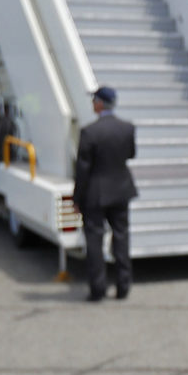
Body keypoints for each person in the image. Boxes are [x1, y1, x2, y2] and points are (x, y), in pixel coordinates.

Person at [73, 85, 138, 301]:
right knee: (121, 237)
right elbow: (131, 154)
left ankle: (98, 288)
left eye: (94, 100)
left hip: (96, 193)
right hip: (121, 189)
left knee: (94, 240)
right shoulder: (127, 128)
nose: (92, 104)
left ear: (100, 104)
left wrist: (77, 198)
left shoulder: (89, 132)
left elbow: (82, 169)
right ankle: (123, 286)